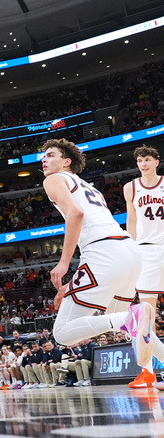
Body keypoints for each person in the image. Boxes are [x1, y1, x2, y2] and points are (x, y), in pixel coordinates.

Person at [44, 139, 156, 369]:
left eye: (50, 155)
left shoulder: (54, 179)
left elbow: (75, 214)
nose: (44, 160)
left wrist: (64, 262)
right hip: (128, 251)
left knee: (63, 334)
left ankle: (132, 317)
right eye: (43, 156)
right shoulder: (89, 187)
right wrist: (73, 283)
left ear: (66, 162)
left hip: (103, 252)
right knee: (129, 325)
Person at [124, 145, 164, 388]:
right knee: (145, 316)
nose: (143, 164)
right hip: (146, 250)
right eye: (139, 160)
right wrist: (131, 248)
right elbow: (132, 219)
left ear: (157, 161)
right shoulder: (131, 187)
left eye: (147, 159)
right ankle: (147, 372)